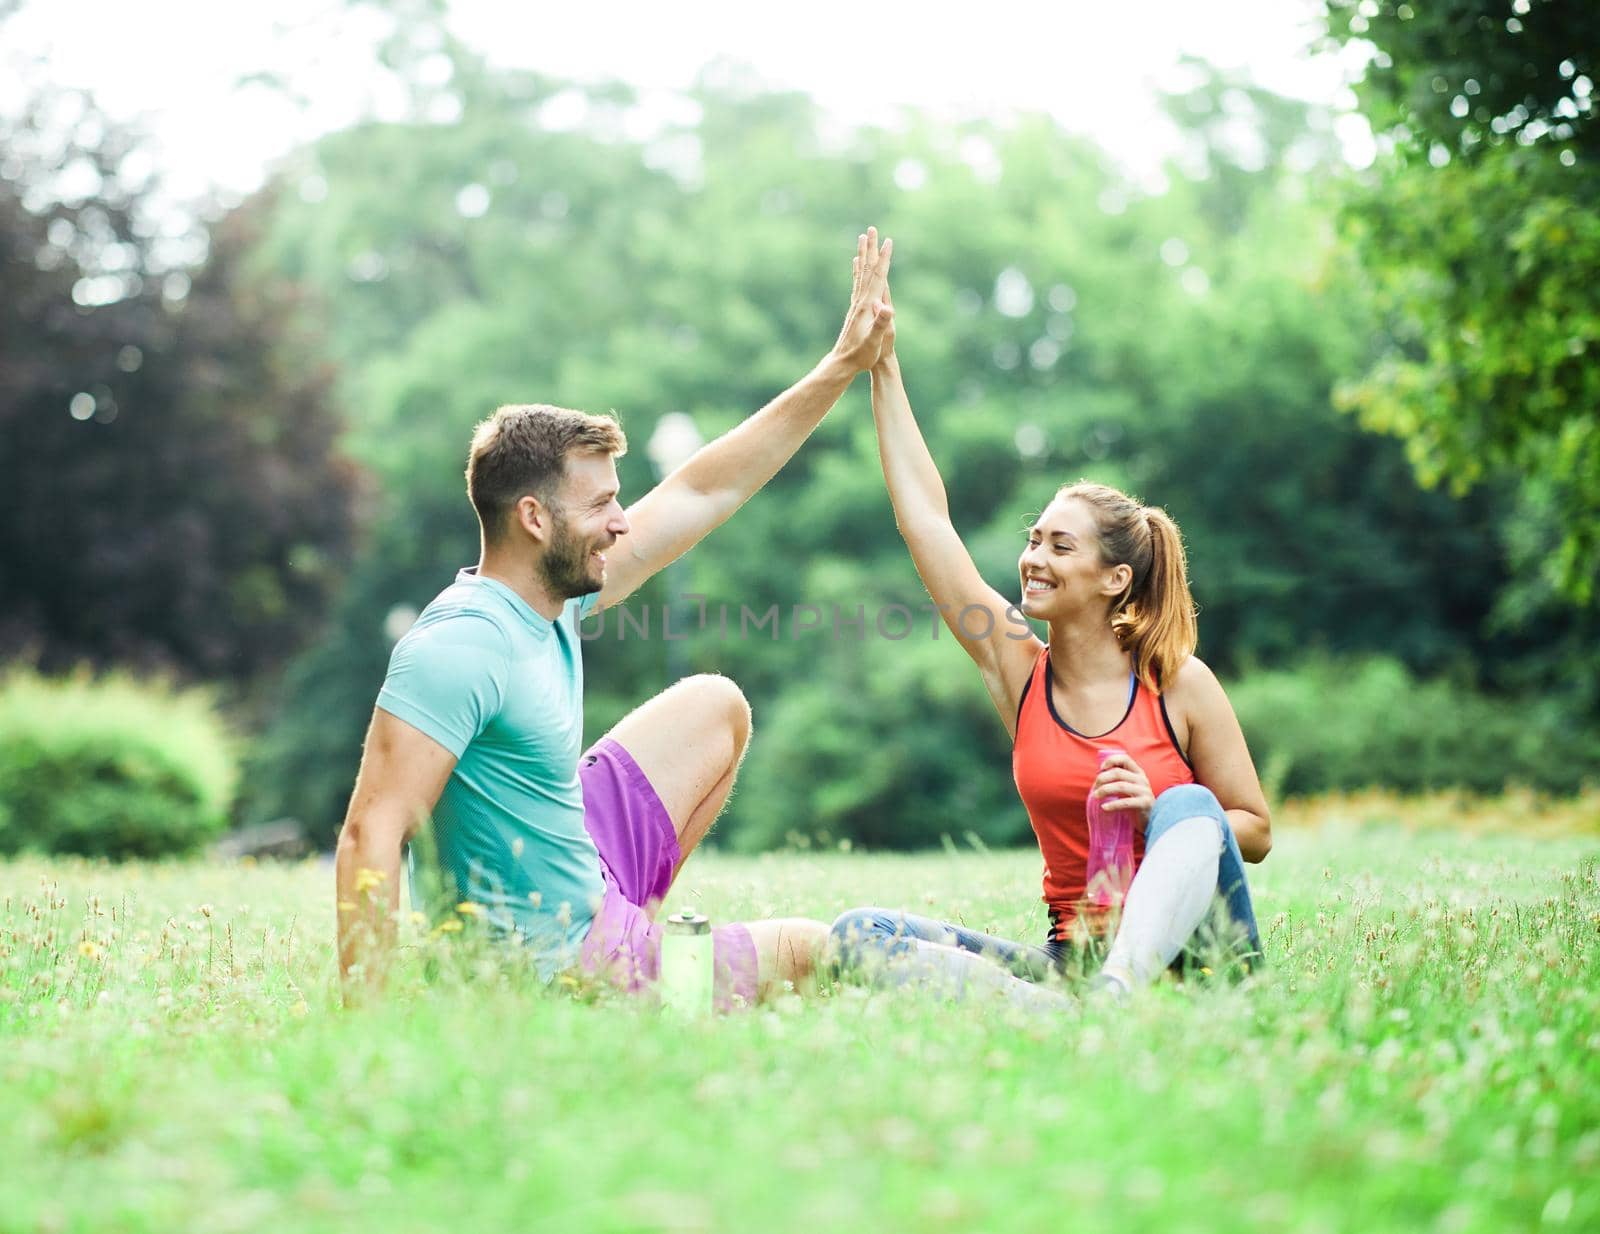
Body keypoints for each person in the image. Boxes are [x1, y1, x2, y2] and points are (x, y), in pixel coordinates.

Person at [336, 229, 897, 1008]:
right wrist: (366, 1023)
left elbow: (705, 491)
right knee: (809, 948)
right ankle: (633, 981)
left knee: (714, 706)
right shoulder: (462, 644)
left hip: (581, 871)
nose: (621, 523)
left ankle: (638, 936)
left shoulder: (550, 596)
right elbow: (372, 832)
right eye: (601, 504)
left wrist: (839, 367)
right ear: (534, 518)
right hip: (550, 972)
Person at [829, 236, 1269, 1006]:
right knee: (860, 932)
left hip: (1199, 962)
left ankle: (1119, 992)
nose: (1033, 556)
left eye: (1060, 546)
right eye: (1034, 539)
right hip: (1074, 954)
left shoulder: (1179, 685)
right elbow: (928, 525)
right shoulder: (1018, 670)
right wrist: (884, 367)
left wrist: (1160, 817)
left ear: (1114, 579)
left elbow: (1255, 832)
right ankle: (1062, 1007)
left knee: (1192, 802)